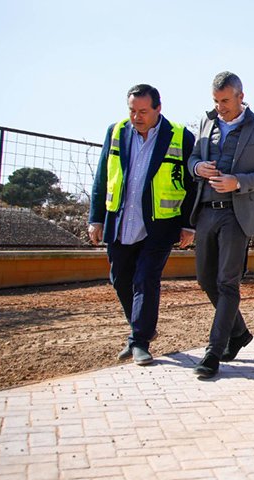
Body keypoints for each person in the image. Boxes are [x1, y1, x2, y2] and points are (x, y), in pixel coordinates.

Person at [88, 84, 196, 367]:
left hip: (160, 225)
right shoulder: (116, 131)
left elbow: (192, 184)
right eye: (132, 110)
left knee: (145, 279)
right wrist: (95, 218)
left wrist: (189, 225)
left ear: (158, 108)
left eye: (143, 111)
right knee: (120, 279)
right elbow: (102, 176)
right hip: (121, 221)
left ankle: (139, 341)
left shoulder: (181, 136)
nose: (136, 116)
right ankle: (142, 327)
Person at [188, 71, 254, 379]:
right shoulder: (206, 123)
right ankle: (239, 332)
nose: (220, 107)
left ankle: (214, 352)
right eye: (216, 101)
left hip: (237, 214)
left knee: (227, 283)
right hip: (205, 212)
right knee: (205, 280)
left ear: (241, 96)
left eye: (225, 101)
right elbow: (192, 160)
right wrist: (198, 166)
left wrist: (238, 181)